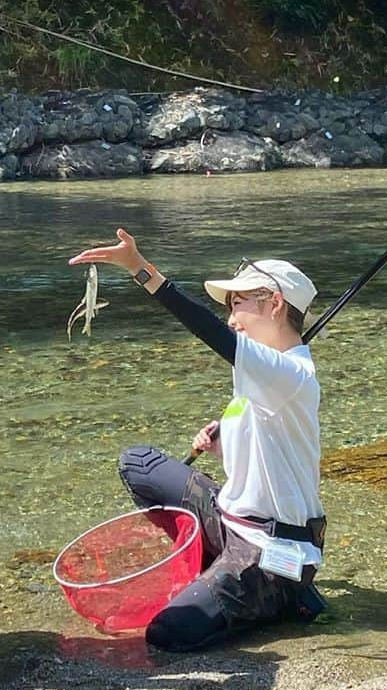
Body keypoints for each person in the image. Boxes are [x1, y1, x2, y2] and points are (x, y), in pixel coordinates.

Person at [68, 228, 326, 651]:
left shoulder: (289, 374)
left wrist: (142, 270)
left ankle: (280, 598)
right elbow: (269, 440)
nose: (230, 317)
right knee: (138, 464)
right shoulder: (265, 369)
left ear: (275, 304)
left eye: (238, 303)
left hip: (270, 551)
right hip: (231, 518)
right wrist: (225, 440)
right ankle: (213, 569)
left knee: (167, 633)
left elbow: (208, 330)